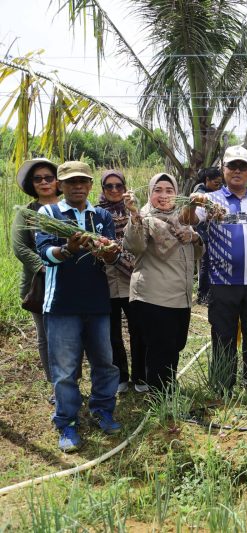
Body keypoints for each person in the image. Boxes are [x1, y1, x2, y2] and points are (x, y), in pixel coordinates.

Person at [35, 161, 122, 452]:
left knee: (105, 363)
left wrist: (109, 252)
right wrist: (68, 249)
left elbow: (111, 258)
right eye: (71, 182)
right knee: (65, 370)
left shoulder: (101, 216)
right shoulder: (50, 214)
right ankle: (67, 422)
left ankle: (102, 410)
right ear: (61, 185)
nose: (78, 186)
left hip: (97, 303)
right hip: (62, 304)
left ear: (90, 185)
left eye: (83, 181)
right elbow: (44, 253)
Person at [183, 145, 247, 392]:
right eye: (232, 166)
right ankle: (222, 386)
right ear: (223, 169)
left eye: (243, 167)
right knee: (223, 336)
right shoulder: (211, 200)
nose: (237, 171)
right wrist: (191, 203)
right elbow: (188, 220)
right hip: (223, 282)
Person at [123, 173, 205, 391]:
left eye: (169, 190)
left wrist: (194, 237)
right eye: (157, 190)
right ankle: (160, 398)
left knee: (175, 346)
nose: (164, 195)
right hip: (154, 298)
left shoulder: (182, 219)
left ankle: (168, 390)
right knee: (160, 350)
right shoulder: (144, 219)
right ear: (150, 194)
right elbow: (135, 245)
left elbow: (197, 253)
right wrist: (133, 214)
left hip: (181, 298)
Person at [12, 158, 60, 393]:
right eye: (38, 179)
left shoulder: (68, 207)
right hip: (39, 283)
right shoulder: (26, 213)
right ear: (32, 184)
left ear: (58, 181)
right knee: (45, 335)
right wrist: (44, 265)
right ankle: (55, 385)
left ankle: (70, 380)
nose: (44, 182)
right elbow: (20, 247)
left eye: (49, 177)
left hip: (68, 281)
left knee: (71, 334)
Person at [97, 169, 146, 394]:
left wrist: (134, 211)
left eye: (119, 185)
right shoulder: (95, 213)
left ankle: (140, 375)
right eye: (109, 186)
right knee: (112, 334)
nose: (114, 190)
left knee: (139, 330)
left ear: (125, 187)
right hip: (105, 282)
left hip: (133, 280)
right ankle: (120, 377)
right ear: (102, 189)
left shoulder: (134, 210)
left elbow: (143, 242)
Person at [193, 167, 223, 305]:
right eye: (216, 183)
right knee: (206, 264)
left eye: (220, 184)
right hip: (203, 235)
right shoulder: (200, 195)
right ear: (207, 180)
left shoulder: (214, 192)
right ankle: (202, 294)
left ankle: (210, 293)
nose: (218, 187)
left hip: (213, 235)